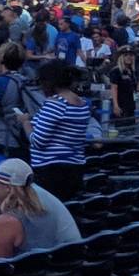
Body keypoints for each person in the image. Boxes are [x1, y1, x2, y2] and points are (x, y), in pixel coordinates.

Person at [25, 59, 91, 201]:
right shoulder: (83, 104)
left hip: (51, 171)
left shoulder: (55, 105)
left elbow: (38, 141)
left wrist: (25, 123)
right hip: (75, 168)